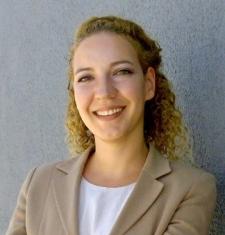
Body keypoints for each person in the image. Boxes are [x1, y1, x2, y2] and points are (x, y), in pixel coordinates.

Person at [6, 16, 216, 235]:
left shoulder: (191, 188)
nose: (105, 92)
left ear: (149, 84)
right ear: (74, 93)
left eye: (121, 72)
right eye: (86, 77)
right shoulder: (38, 184)